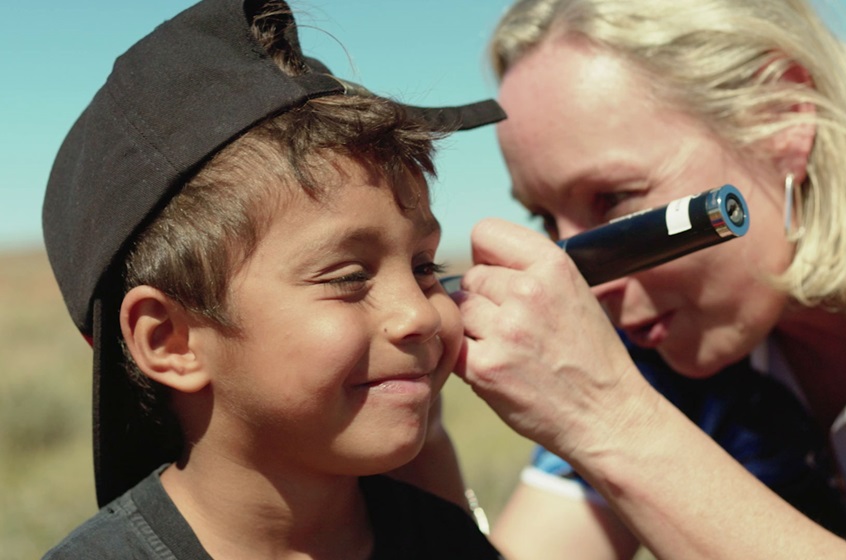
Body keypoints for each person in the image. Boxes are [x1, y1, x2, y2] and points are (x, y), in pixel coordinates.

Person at [451, 0, 846, 558]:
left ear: (781, 118)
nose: (588, 281)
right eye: (546, 219)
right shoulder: (657, 325)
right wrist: (415, 452)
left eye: (612, 200)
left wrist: (607, 416)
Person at [40, 0, 506, 557]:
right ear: (171, 341)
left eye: (425, 267)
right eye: (350, 276)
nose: (423, 314)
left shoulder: (446, 541)